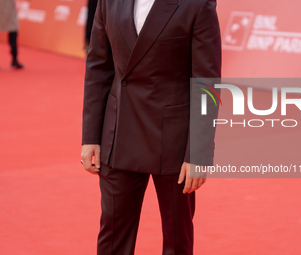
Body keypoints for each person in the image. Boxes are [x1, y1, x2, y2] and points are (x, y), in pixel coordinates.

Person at [81, 0, 221, 254]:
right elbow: (98, 69)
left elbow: (206, 83)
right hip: (118, 134)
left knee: (177, 240)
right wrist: (90, 137)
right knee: (112, 238)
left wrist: (198, 151)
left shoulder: (197, 5)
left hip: (174, 143)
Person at [0, 0, 24, 68]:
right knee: (13, 31)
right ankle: (14, 58)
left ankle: (14, 58)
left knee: (13, 31)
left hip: (9, 10)